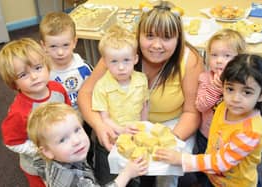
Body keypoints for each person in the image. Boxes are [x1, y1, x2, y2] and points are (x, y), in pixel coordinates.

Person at [77, 1, 204, 186]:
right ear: (138, 35)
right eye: (150, 36)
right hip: (123, 121)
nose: (156, 45)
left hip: (170, 125)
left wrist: (168, 141)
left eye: (167, 37)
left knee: (166, 174)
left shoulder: (189, 59)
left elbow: (192, 113)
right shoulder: (121, 52)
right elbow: (86, 93)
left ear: (178, 39)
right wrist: (99, 125)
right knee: (115, 170)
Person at [154, 54, 262, 187]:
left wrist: (181, 159)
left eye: (247, 92)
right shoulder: (224, 105)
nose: (235, 98)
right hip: (215, 176)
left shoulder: (250, 131)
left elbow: (221, 162)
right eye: (230, 89)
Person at [0, 38, 71, 187]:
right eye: (23, 75)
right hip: (37, 167)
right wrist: (38, 150)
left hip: (63, 154)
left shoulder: (57, 89)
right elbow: (11, 142)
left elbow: (68, 113)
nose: (34, 76)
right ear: (13, 82)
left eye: (38, 68)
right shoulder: (19, 112)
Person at [27, 102, 148, 187]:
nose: (76, 141)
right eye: (63, 140)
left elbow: (38, 162)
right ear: (47, 151)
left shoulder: (49, 157)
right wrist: (127, 173)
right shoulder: (73, 179)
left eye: (77, 130)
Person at [194, 29, 246, 185]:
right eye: (214, 55)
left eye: (227, 56)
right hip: (207, 135)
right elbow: (201, 106)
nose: (219, 61)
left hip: (231, 137)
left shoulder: (243, 82)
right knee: (204, 166)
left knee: (229, 168)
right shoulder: (205, 78)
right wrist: (215, 88)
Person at [93, 24, 149, 135]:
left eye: (126, 60)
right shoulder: (101, 86)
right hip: (114, 135)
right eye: (114, 61)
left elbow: (144, 107)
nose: (121, 67)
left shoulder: (142, 80)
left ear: (135, 59)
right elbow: (104, 118)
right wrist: (121, 130)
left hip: (136, 133)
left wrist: (144, 127)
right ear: (105, 62)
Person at [39, 11, 92, 110]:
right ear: (44, 46)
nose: (60, 52)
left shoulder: (83, 67)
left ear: (74, 42)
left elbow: (95, 91)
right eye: (53, 46)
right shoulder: (43, 72)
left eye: (65, 45)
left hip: (85, 114)